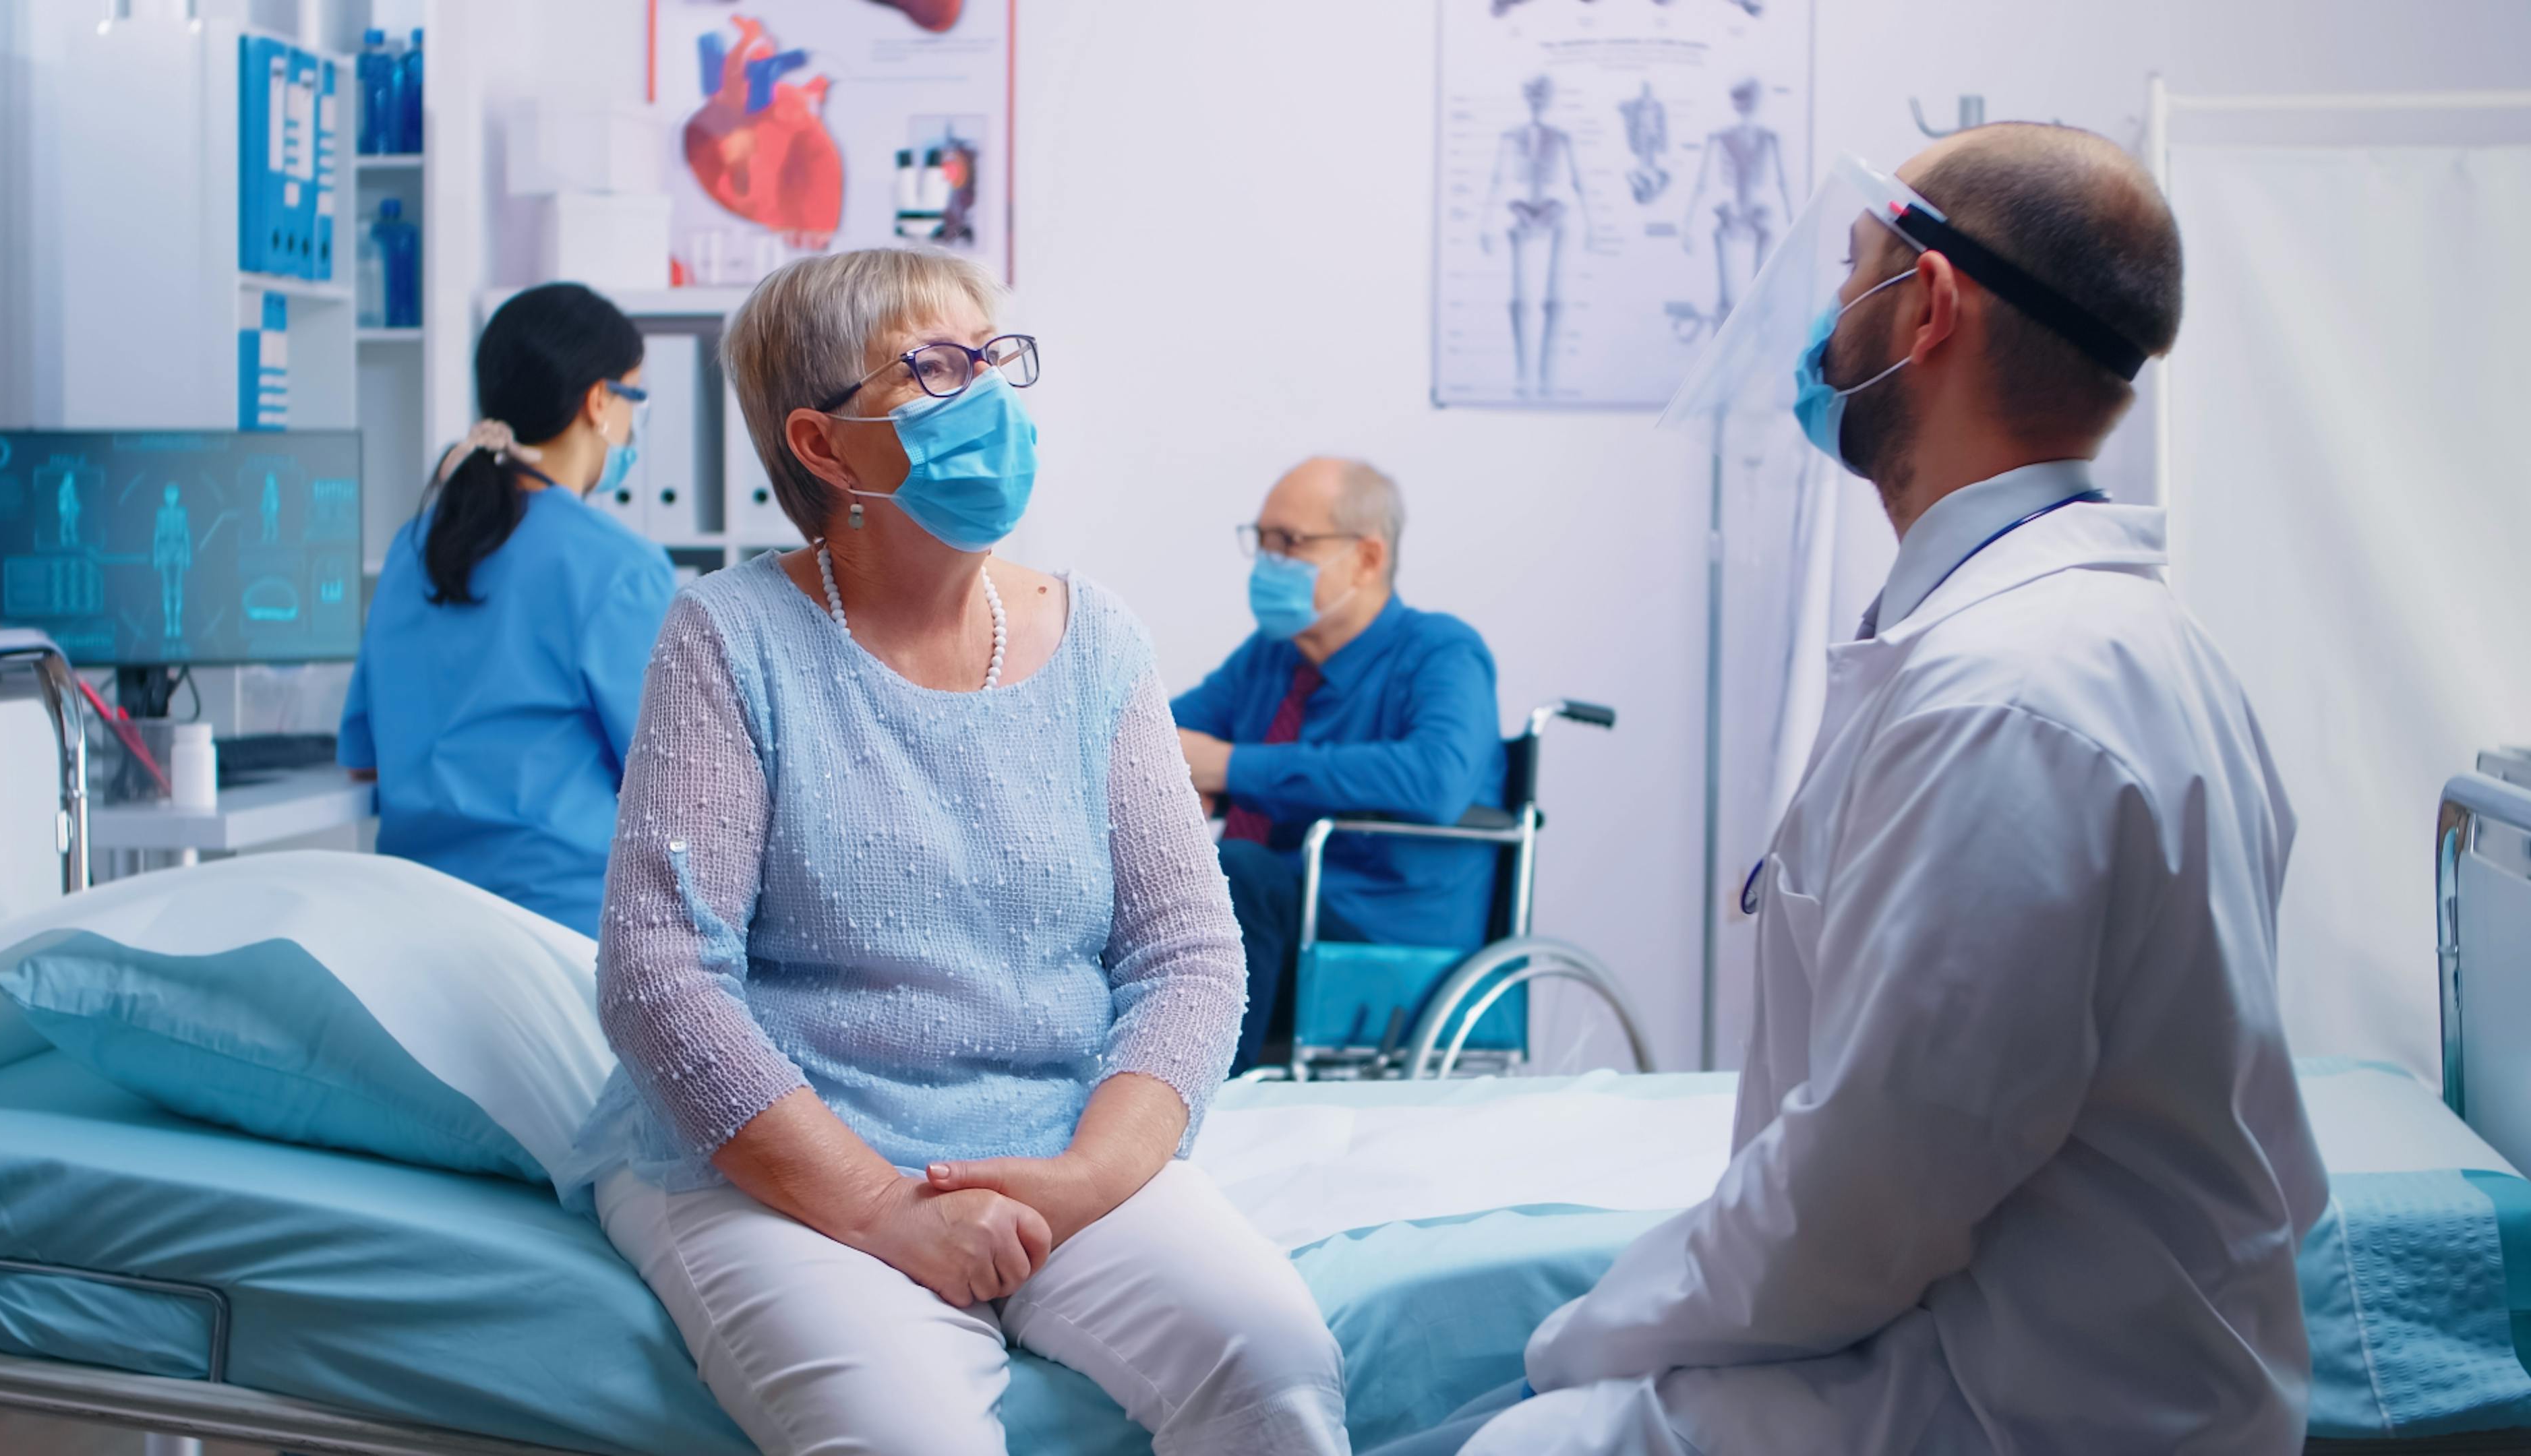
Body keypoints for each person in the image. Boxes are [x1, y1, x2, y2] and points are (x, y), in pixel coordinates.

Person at [1398, 124, 2327, 1456]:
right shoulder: (2085, 647)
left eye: (1852, 276)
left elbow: (1872, 1192)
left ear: (1932, 306)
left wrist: (1577, 1346)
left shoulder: (2012, 696)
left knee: (1513, 1436)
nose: (1830, 324)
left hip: (2033, 1406)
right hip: (2030, 1358)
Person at [572, 249, 1347, 1456]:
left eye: (994, 357)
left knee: (1276, 1366)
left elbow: (1188, 954)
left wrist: (1094, 1175)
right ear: (825, 449)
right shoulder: (729, 643)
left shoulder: (1098, 645)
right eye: (936, 368)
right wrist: (885, 1210)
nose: (986, 394)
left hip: (1052, 1143)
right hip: (778, 1169)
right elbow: (662, 981)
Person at [338, 283, 673, 937]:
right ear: (599, 402)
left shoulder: (416, 548)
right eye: (634, 399)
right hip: (566, 936)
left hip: (416, 928)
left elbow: (364, 756)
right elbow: (672, 773)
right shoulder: (618, 566)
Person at [1173, 458, 1504, 1073]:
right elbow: (1160, 732)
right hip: (1281, 907)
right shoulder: (1270, 660)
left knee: (1237, 870)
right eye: (1263, 540)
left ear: (1369, 558)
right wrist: (1169, 781)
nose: (1269, 561)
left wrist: (1235, 769)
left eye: (1290, 543)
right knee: (1158, 873)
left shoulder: (1442, 651)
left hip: (1382, 917)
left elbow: (1435, 779)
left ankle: (1199, 1095)